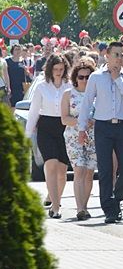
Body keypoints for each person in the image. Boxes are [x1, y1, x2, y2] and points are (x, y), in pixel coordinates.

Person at [77, 42, 123, 223]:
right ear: (107, 56)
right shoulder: (96, 77)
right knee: (105, 169)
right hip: (103, 127)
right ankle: (109, 209)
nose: (119, 58)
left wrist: (117, 79)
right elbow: (87, 102)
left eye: (121, 54)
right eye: (116, 54)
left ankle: (117, 198)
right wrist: (81, 128)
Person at [26, 54, 71, 219]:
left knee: (62, 170)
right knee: (51, 164)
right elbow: (33, 112)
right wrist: (27, 135)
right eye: (55, 69)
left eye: (61, 69)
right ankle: (56, 206)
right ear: (50, 69)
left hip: (64, 127)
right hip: (46, 127)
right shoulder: (42, 86)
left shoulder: (69, 86)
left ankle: (55, 197)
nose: (58, 72)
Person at [61, 58, 98, 220]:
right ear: (75, 77)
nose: (84, 80)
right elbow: (64, 119)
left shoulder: (97, 95)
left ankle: (85, 205)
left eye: (88, 77)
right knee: (79, 170)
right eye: (81, 77)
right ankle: (80, 208)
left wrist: (92, 122)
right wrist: (81, 121)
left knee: (89, 172)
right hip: (74, 137)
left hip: (93, 137)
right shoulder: (68, 94)